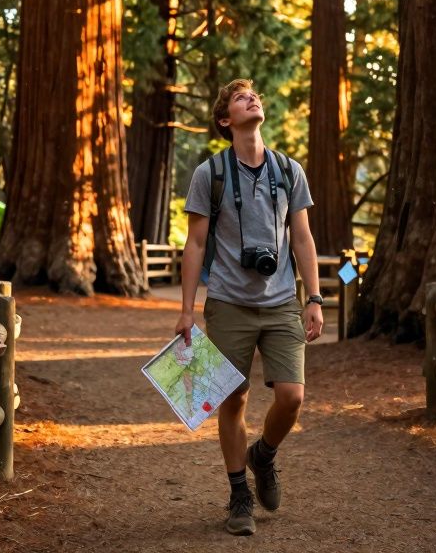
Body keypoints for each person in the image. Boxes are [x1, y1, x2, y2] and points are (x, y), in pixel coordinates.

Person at [174, 78, 323, 536]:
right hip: (229, 302)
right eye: (240, 98)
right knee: (232, 398)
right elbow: (196, 242)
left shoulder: (288, 169)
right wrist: (186, 309)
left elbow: (301, 237)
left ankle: (264, 455)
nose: (251, 99)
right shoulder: (210, 174)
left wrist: (314, 298)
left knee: (291, 397)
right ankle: (239, 493)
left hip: (281, 304)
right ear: (226, 120)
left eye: (253, 95)